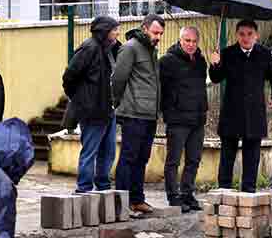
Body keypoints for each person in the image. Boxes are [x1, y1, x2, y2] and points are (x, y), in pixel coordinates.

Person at [209, 19, 272, 192]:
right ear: (236, 35)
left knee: (252, 156)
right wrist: (214, 63)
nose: (246, 38)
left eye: (250, 34)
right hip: (232, 113)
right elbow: (215, 78)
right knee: (227, 155)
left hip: (254, 113)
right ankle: (224, 190)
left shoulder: (264, 54)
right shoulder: (227, 53)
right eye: (242, 34)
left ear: (256, 35)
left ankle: (249, 191)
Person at [112, 14, 165, 214]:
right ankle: (121, 203)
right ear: (144, 28)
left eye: (161, 33)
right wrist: (118, 103)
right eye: (155, 32)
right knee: (129, 157)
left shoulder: (151, 50)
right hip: (134, 113)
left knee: (142, 157)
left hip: (149, 113)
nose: (158, 36)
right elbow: (118, 79)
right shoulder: (130, 48)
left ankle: (137, 199)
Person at [62, 15, 121, 194]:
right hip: (92, 111)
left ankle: (103, 187)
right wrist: (82, 100)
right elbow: (69, 77)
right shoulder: (89, 48)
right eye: (114, 30)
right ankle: (84, 189)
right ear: (104, 31)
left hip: (108, 109)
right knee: (90, 152)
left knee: (108, 151)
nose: (118, 33)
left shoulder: (109, 49)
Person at [160, 26, 208, 212]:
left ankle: (188, 193)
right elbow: (161, 90)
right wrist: (168, 111)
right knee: (173, 160)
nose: (190, 44)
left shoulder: (201, 61)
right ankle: (173, 196)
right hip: (177, 120)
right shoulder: (167, 61)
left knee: (193, 160)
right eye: (187, 41)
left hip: (197, 119)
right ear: (180, 40)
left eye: (194, 41)